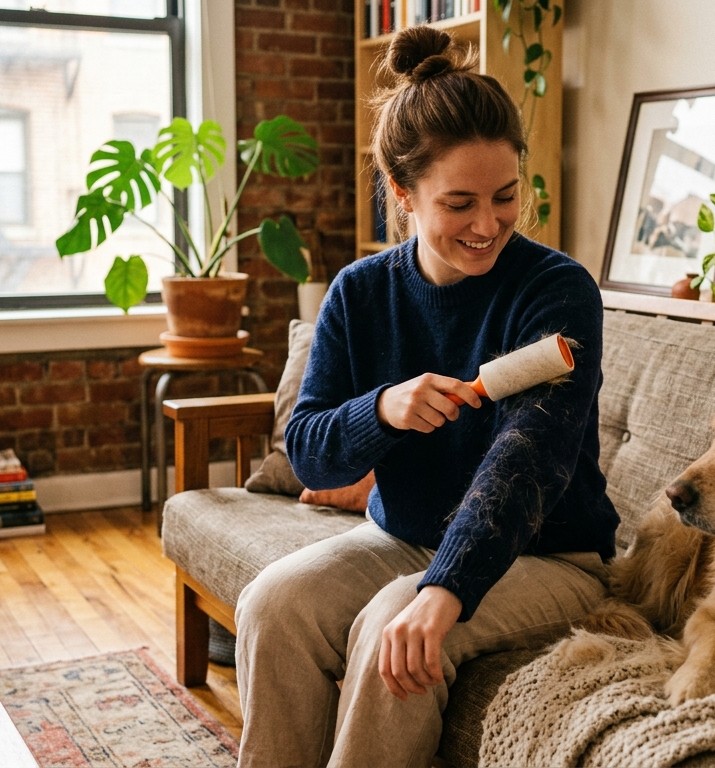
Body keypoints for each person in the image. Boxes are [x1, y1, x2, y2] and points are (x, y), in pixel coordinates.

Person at [233, 25, 620, 768]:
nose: (488, 225)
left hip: (549, 554)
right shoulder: (360, 292)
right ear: (403, 196)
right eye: (460, 204)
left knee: (396, 631)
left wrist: (445, 590)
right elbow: (311, 454)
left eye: (506, 197)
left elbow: (527, 461)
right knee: (272, 606)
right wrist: (383, 409)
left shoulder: (556, 291)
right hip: (401, 534)